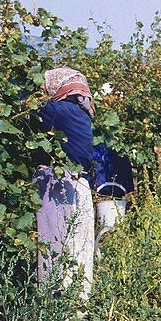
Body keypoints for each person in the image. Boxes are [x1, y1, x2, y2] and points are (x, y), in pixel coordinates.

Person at [33, 66, 97, 301]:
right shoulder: (81, 112)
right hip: (79, 186)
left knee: (55, 245)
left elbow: (29, 108)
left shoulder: (61, 111)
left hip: (59, 187)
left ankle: (54, 307)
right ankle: (77, 308)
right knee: (76, 248)